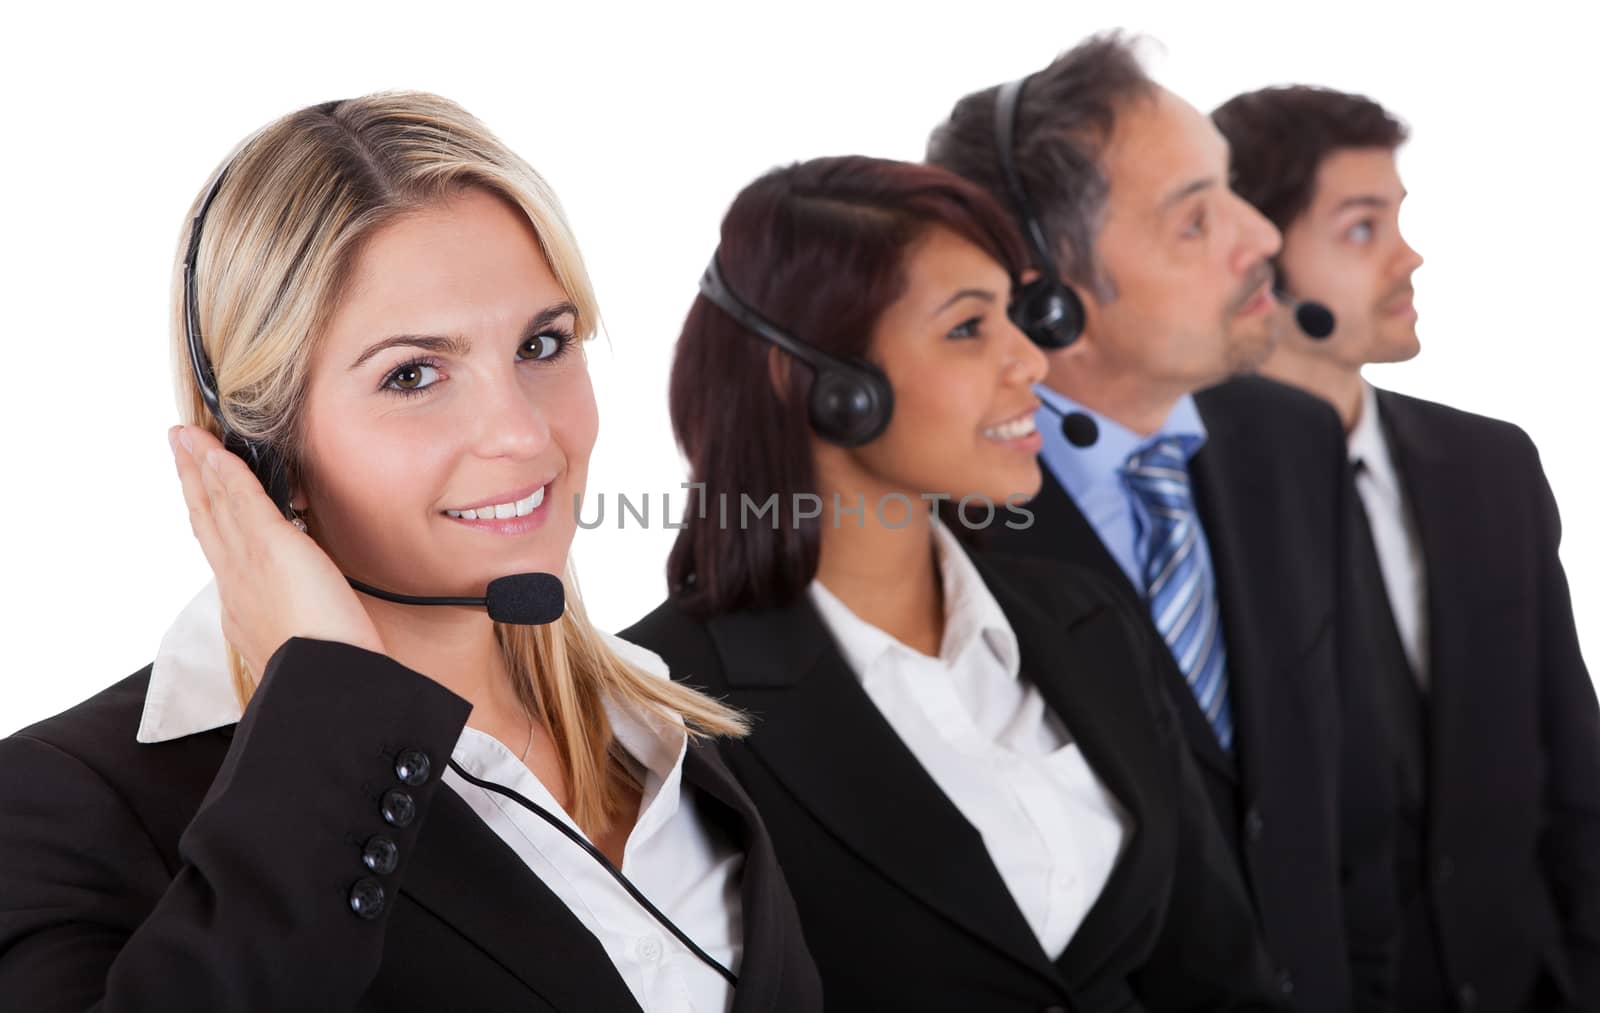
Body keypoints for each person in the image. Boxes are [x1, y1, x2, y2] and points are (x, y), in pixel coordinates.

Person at [0, 92, 821, 1012]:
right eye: (414, 374)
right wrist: (326, 706)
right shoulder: (68, 805)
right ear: (262, 457)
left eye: (542, 344)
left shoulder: (667, 730)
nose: (521, 434)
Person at [623, 154, 1284, 1012]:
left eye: (1018, 316)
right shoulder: (665, 705)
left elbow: (1220, 973)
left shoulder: (1083, 614)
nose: (1032, 363)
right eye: (970, 328)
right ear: (823, 385)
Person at [925, 33, 1397, 1011]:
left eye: (1229, 189)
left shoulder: (1293, 439)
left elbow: (1359, 802)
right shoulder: (927, 531)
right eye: (1194, 222)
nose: (1261, 236)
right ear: (1046, 297)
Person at [1214, 83, 1600, 1013]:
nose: (1408, 256)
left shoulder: (1490, 463)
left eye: (1399, 220)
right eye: (1361, 228)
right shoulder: (1189, 491)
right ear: (1256, 261)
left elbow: (1573, 759)